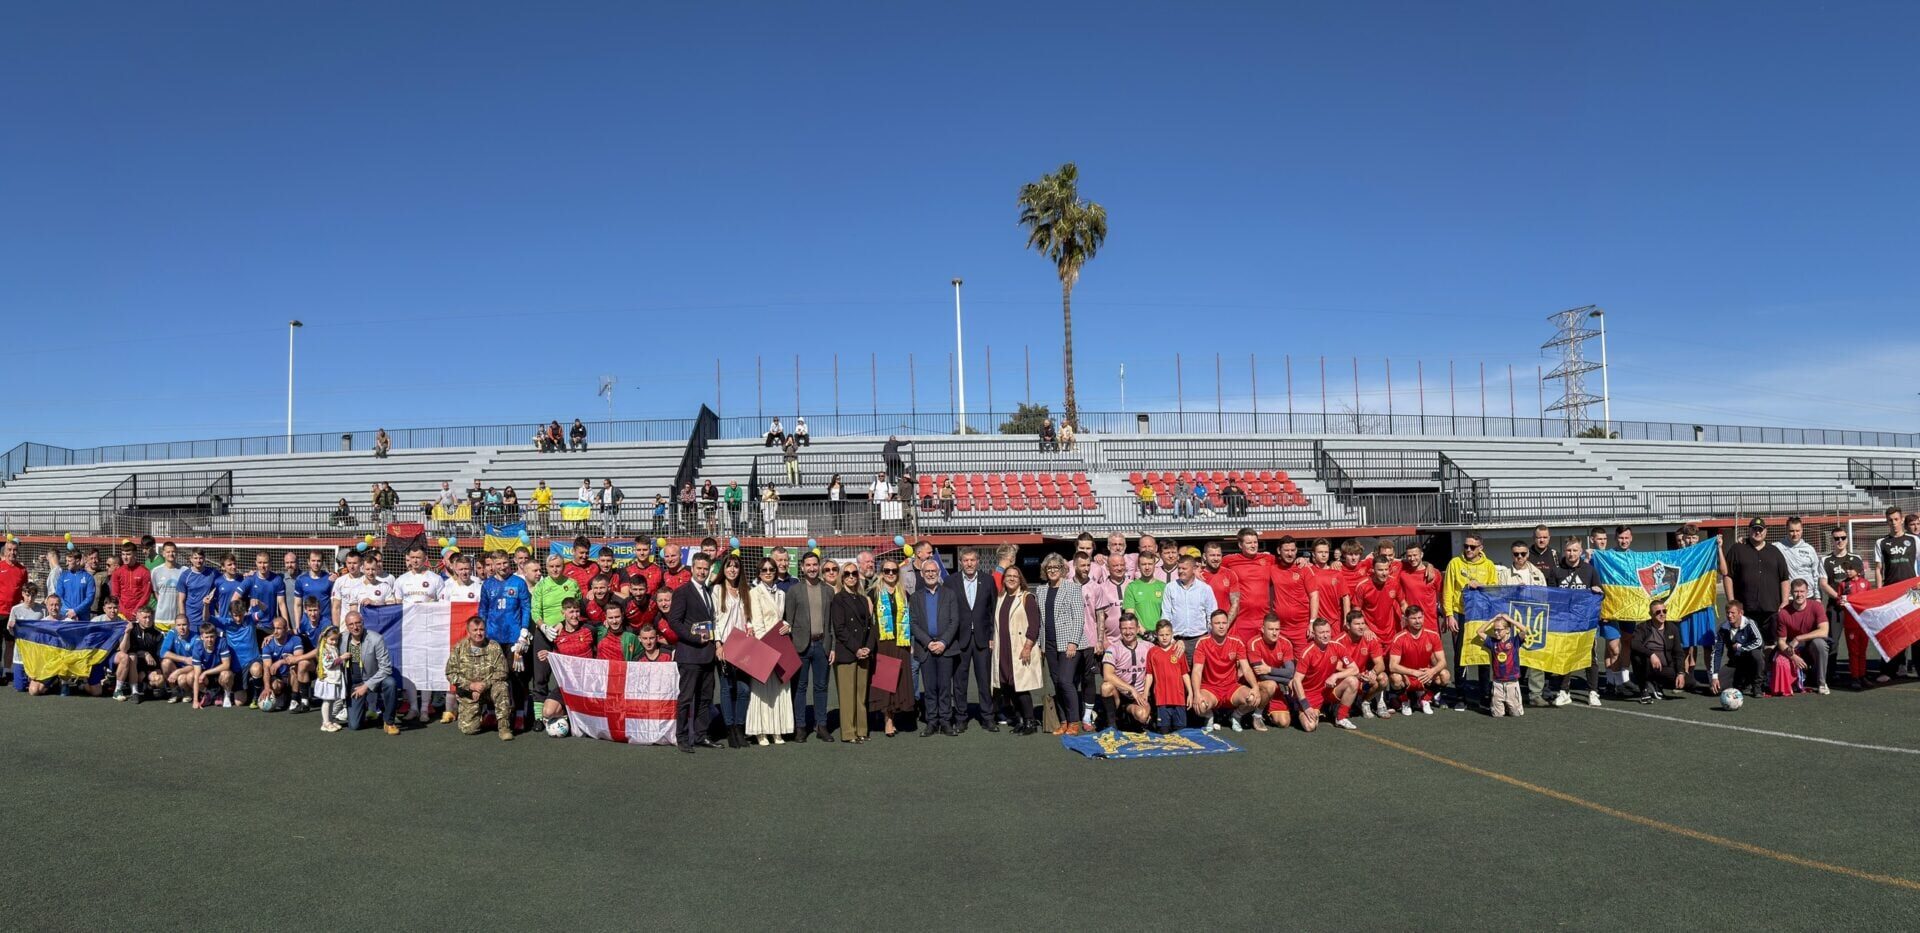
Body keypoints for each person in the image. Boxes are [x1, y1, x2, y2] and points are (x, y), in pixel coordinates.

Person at [669, 553, 722, 753]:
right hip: (690, 655)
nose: (702, 572)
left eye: (705, 569)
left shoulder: (709, 592)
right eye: (699, 568)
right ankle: (682, 738)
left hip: (707, 655)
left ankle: (701, 735)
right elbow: (674, 621)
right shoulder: (682, 591)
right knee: (686, 698)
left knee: (705, 698)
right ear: (692, 568)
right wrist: (693, 638)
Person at [1543, 537, 1603, 706]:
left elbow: (1600, 592)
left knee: (1590, 656)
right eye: (1569, 550)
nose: (1571, 554)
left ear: (1581, 551)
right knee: (1565, 656)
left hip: (1585, 621)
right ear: (1564, 551)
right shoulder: (1556, 571)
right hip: (1564, 622)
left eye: (1575, 550)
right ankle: (1564, 691)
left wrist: (1597, 591)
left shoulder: (1590, 570)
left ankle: (1593, 691)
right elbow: (1551, 597)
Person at [1442, 532, 1499, 709]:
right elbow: (1448, 591)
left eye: (1472, 547)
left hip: (1481, 615)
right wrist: (1449, 615)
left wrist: (1480, 586)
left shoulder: (1489, 565)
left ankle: (1484, 695)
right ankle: (1460, 696)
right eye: (1466, 546)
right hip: (1461, 615)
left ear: (1480, 548)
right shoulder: (1455, 563)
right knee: (1460, 658)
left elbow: (1494, 591)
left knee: (1483, 655)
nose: (1468, 549)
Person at [1033, 553, 1087, 735]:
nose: (1052, 571)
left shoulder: (1072, 588)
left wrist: (1073, 642)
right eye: (1049, 568)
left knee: (1065, 681)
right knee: (1056, 682)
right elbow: (1040, 620)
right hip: (1048, 644)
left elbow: (1079, 618)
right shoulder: (1041, 590)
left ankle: (1074, 721)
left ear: (1063, 570)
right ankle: (1062, 721)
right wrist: (1040, 644)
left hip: (1069, 644)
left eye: (1056, 568)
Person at [990, 566, 1044, 735]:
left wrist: (1027, 647)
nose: (1012, 579)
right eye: (1009, 576)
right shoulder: (1001, 597)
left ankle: (1030, 721)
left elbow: (1034, 626)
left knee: (1021, 687)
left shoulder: (1027, 598)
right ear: (1004, 579)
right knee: (1008, 685)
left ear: (1020, 579)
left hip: (1020, 648)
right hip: (1004, 648)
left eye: (1015, 576)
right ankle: (1019, 720)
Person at [950, 548, 998, 731]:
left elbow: (993, 610)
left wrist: (993, 636)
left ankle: (987, 716)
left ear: (978, 561)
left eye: (972, 560)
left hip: (982, 639)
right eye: (966, 560)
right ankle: (961, 717)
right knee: (960, 681)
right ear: (961, 562)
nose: (969, 563)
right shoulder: (951, 581)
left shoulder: (987, 580)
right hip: (959, 639)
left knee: (984, 681)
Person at [746, 558, 793, 745]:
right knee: (762, 690)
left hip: (781, 644)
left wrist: (787, 625)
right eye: (764, 569)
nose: (768, 572)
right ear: (759, 573)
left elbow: (784, 618)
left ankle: (778, 730)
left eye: (771, 569)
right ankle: (761, 731)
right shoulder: (754, 593)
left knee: (780, 689)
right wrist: (765, 646)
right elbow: (757, 622)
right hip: (763, 644)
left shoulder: (782, 593)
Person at [444, 617, 515, 740]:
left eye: (481, 629)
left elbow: (503, 671)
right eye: (475, 630)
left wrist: (483, 685)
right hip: (468, 692)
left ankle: (504, 728)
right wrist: (471, 686)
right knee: (469, 729)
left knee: (502, 687)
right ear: (468, 632)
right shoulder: (459, 648)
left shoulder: (493, 646)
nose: (479, 633)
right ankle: (482, 713)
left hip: (489, 689)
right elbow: (450, 673)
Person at [1189, 609, 1259, 732]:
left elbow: (1246, 668)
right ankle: (1209, 716)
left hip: (1231, 688)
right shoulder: (1202, 643)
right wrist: (1196, 694)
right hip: (1210, 689)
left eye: (1224, 623)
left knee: (1254, 698)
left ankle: (1236, 716)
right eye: (1217, 623)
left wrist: (1255, 687)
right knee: (1199, 706)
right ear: (1210, 625)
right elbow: (1197, 671)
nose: (1221, 626)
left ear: (1227, 624)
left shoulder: (1236, 642)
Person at [830, 563, 876, 743]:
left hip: (863, 652)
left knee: (861, 694)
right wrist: (856, 648)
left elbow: (871, 626)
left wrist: (868, 648)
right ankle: (849, 732)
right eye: (847, 574)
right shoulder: (839, 599)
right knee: (848, 695)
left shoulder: (863, 599)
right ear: (842, 578)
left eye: (854, 573)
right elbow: (839, 628)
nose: (851, 576)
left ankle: (862, 730)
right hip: (848, 652)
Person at [1724, 517, 1790, 643]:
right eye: (1754, 529)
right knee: (1745, 646)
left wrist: (1785, 601)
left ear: (1766, 531)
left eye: (1760, 529)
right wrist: (1732, 601)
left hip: (1771, 610)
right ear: (1749, 530)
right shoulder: (1737, 549)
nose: (1758, 532)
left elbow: (1784, 578)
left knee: (1771, 645)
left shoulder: (1775, 552)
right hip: (1745, 610)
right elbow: (1728, 575)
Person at [868, 557, 914, 737]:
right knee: (886, 682)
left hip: (901, 642)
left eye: (894, 571)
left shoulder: (904, 593)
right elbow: (867, 619)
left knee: (900, 682)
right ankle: (887, 720)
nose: (890, 574)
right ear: (881, 573)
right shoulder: (873, 593)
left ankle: (894, 716)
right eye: (887, 571)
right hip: (883, 642)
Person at [1872, 507, 1915, 678]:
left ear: (1901, 519)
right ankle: (1888, 670)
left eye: (1896, 519)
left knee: (1916, 633)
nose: (1894, 523)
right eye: (1890, 520)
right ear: (1887, 521)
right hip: (1891, 594)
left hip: (1913, 594)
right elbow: (1878, 568)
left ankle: (1917, 668)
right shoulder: (1881, 542)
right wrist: (1880, 591)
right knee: (1892, 632)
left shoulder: (1914, 540)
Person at [1295, 618, 1359, 732]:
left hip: (1328, 690)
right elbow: (1296, 681)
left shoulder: (1337, 646)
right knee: (1310, 727)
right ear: (1314, 634)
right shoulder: (1307, 652)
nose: (1325, 635)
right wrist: (1305, 706)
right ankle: (1299, 709)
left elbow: (1355, 669)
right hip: (1310, 695)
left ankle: (1340, 717)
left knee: (1353, 681)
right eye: (1321, 633)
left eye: (1327, 632)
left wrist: (1335, 676)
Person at [343, 610, 399, 734]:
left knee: (390, 683)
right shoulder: (341, 639)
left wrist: (366, 685)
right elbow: (324, 647)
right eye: (351, 624)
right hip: (353, 684)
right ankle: (363, 708)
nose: (355, 627)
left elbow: (386, 668)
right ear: (346, 626)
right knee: (354, 725)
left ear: (363, 623)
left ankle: (389, 722)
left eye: (358, 623)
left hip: (373, 680)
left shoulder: (376, 638)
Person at [1389, 605, 1450, 715]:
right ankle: (1405, 701)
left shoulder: (1433, 635)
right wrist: (1413, 672)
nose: (1417, 621)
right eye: (1413, 618)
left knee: (1445, 675)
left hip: (1424, 676)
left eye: (1420, 617)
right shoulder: (1399, 638)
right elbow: (1392, 666)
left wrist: (1432, 671)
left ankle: (1425, 699)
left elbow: (1443, 661)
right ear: (1406, 620)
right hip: (1407, 677)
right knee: (1395, 677)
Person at [1098, 613, 1153, 731]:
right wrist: (1130, 689)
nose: (1127, 632)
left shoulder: (1148, 647)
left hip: (1139, 696)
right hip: (1120, 695)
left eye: (1131, 628)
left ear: (1138, 629)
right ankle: (1111, 724)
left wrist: (1179, 643)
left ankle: (1129, 716)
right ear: (1120, 629)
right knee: (1106, 687)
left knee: (1142, 716)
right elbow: (1107, 675)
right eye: (1124, 628)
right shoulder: (1113, 649)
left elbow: (1166, 648)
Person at [1774, 579, 1830, 695]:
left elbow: (1824, 631)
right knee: (1780, 659)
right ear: (1791, 592)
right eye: (1796, 591)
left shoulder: (1816, 607)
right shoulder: (1784, 613)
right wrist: (1793, 657)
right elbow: (1781, 642)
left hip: (1810, 644)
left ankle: (1821, 683)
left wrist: (1798, 638)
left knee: (1820, 643)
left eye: (1802, 591)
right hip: (1793, 649)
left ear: (1807, 591)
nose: (1799, 595)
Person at [1244, 614, 1297, 731]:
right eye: (1271, 629)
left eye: (1277, 629)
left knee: (1284, 723)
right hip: (1257, 686)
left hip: (1275, 687)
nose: (1274, 633)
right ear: (1262, 629)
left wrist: (1269, 669)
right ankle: (1256, 715)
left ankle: (1267, 714)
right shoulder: (1253, 643)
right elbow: (1262, 676)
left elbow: (1290, 672)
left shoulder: (1286, 643)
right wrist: (1286, 680)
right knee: (1270, 684)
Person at [1712, 601, 1767, 696]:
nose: (1729, 615)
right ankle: (1741, 683)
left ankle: (1757, 685)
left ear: (1741, 613)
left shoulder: (1750, 623)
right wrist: (1714, 676)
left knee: (1757, 654)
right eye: (1728, 613)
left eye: (1733, 613)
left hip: (1750, 662)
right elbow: (1717, 652)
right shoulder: (1723, 628)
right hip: (1735, 664)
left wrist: (1741, 648)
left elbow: (1759, 642)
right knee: (1716, 689)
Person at [111, 607, 165, 703]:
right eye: (144, 617)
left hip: (147, 669)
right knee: (132, 656)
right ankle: (134, 691)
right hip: (129, 667)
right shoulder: (131, 628)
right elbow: (123, 649)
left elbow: (159, 656)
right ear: (138, 617)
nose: (148, 620)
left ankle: (145, 686)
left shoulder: (158, 634)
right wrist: (127, 633)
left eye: (150, 617)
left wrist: (151, 670)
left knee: (159, 680)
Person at [255, 616, 310, 711]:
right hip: (279, 677)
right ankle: (283, 695)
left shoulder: (295, 640)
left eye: (279, 628)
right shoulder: (267, 644)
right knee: (275, 686)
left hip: (291, 675)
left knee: (295, 667)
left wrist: (281, 662)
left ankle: (294, 699)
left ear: (286, 629)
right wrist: (267, 687)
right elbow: (267, 667)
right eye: (274, 628)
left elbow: (298, 659)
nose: (275, 632)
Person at [1630, 600, 1674, 704]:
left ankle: (1656, 683)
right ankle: (1644, 688)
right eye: (1658, 612)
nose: (1662, 614)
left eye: (1664, 611)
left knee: (1683, 681)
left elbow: (1678, 651)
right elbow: (1634, 644)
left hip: (1665, 664)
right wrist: (1651, 654)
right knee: (1637, 657)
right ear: (1651, 614)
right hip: (1649, 663)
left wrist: (1681, 673)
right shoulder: (1642, 627)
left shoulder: (1672, 627)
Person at [1482, 613, 1525, 717]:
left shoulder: (1515, 641)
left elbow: (1524, 630)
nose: (1496, 632)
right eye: (1495, 630)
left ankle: (1510, 705)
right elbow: (1479, 632)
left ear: (1507, 630)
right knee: (1497, 715)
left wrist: (1510, 619)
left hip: (1512, 682)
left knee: (1516, 714)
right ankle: (1503, 705)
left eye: (1499, 630)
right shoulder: (1493, 642)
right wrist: (1492, 620)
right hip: (1497, 683)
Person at [183, 623, 235, 708]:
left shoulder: (222, 642)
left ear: (216, 636)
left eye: (212, 636)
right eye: (206, 637)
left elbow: (226, 665)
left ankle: (226, 695)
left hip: (219, 674)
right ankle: (209, 694)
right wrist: (195, 701)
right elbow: (197, 675)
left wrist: (206, 672)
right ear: (201, 637)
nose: (209, 640)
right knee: (190, 677)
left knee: (227, 674)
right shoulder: (197, 647)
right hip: (206, 678)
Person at [110, 542, 153, 626]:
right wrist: (123, 611)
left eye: (128, 554)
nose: (125, 557)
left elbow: (146, 595)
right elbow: (115, 595)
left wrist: (136, 611)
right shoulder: (117, 573)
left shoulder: (144, 572)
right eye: (123, 554)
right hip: (121, 613)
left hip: (139, 614)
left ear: (135, 554)